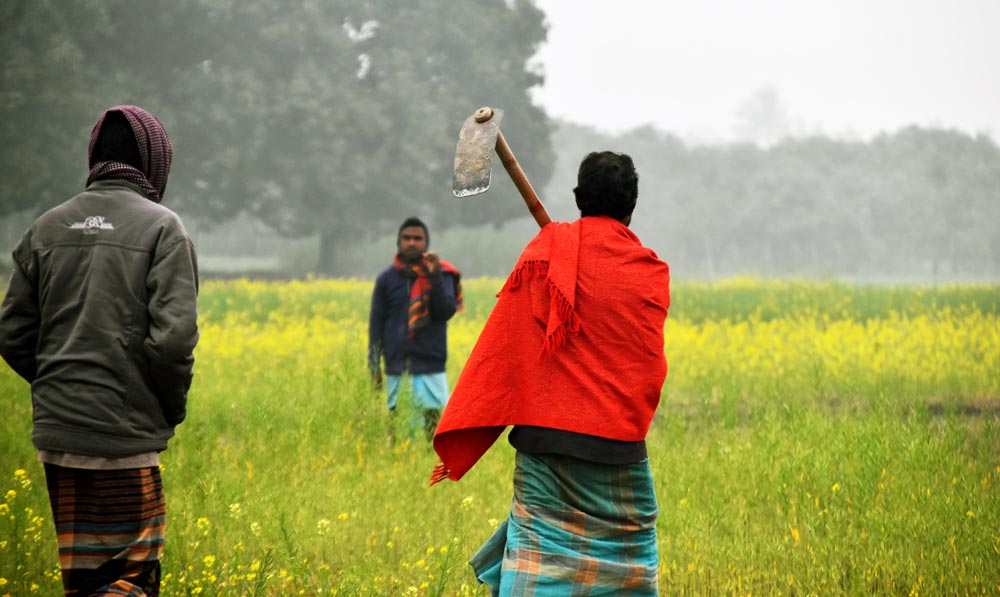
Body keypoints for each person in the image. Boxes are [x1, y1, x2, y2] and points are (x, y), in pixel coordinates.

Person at [430, 152, 670, 595]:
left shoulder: (546, 253)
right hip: (619, 451)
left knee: (537, 569)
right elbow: (647, 369)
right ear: (631, 205)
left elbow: (505, 348)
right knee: (628, 578)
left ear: (579, 198)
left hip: (546, 448)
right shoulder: (649, 270)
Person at [0, 105, 198, 596]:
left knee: (85, 580)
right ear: (156, 161)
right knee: (132, 579)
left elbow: (12, 333)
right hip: (124, 439)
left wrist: (59, 384)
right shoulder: (163, 228)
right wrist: (167, 408)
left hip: (59, 435)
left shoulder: (46, 228)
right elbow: (173, 341)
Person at [368, 217, 462, 441]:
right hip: (397, 364)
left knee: (433, 431)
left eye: (417, 239)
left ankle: (428, 466)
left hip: (430, 363)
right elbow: (376, 324)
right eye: (407, 238)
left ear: (426, 242)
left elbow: (446, 310)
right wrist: (374, 366)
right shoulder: (386, 279)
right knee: (397, 428)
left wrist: (434, 275)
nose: (412, 243)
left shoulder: (441, 274)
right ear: (398, 242)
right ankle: (399, 466)